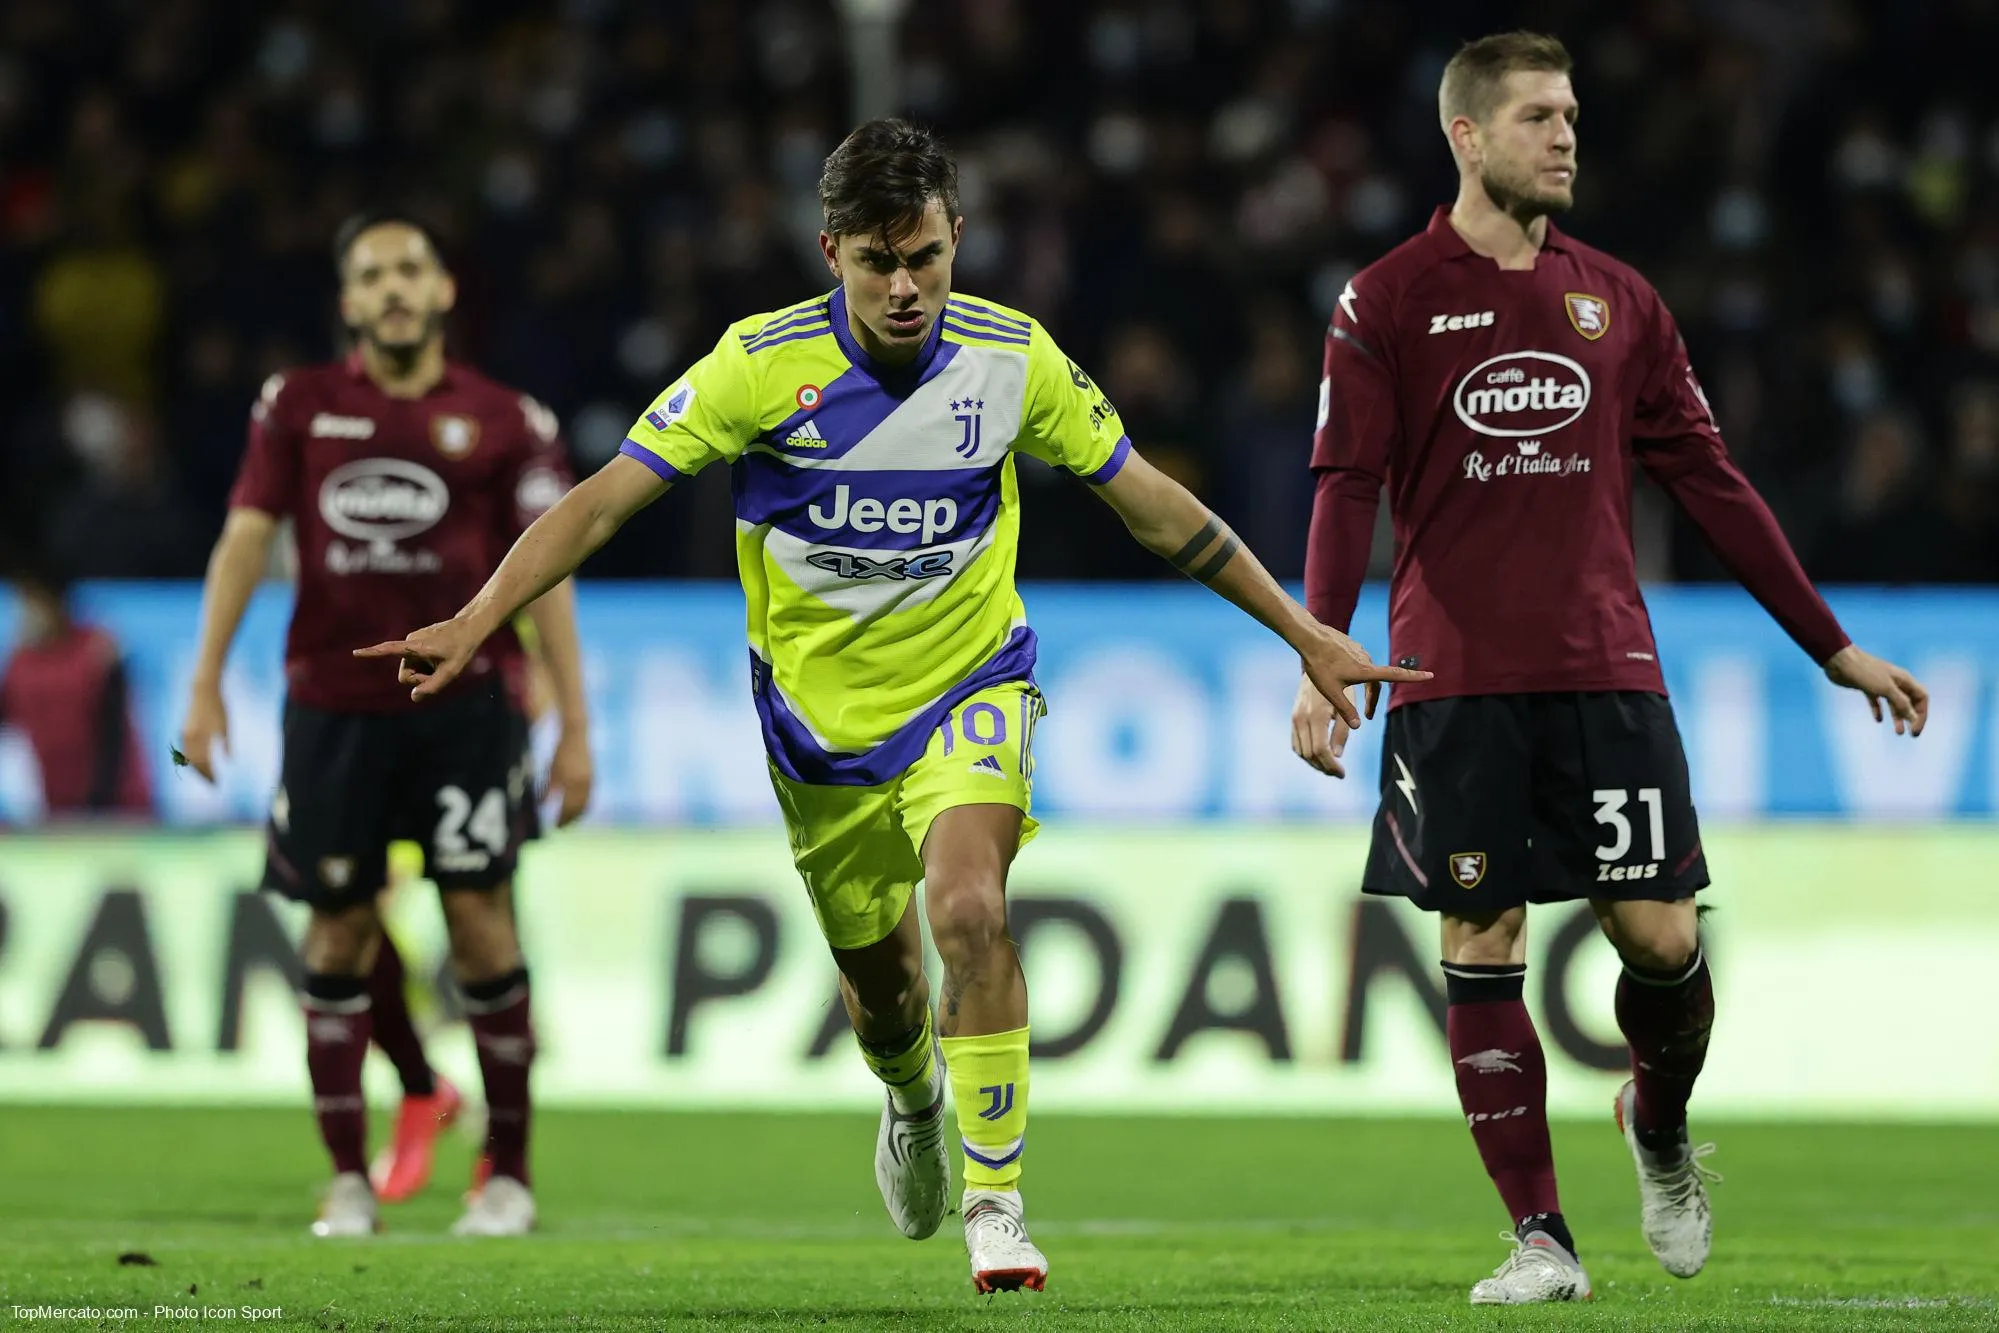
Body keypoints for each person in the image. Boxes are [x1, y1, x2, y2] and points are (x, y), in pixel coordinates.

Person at [359, 118, 1423, 1294]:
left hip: (969, 684)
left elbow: (1157, 509)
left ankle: (998, 1203)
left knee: (969, 906)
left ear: (958, 238)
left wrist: (1305, 633)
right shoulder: (758, 366)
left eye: (925, 255)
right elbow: (603, 500)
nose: (906, 285)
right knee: (885, 993)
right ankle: (912, 1095)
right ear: (832, 253)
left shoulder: (1012, 359)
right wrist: (478, 612)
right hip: (818, 733)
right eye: (879, 262)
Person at [1290, 32, 1929, 1306]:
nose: (1566, 135)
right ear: (1467, 136)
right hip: (1450, 676)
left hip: (1608, 671)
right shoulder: (1386, 300)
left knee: (1662, 939)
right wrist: (1322, 651)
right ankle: (1540, 1236)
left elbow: (1708, 480)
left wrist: (1830, 641)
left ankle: (1658, 1121)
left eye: (1571, 112)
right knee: (1480, 937)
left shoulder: (1621, 302)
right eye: (1537, 115)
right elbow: (1344, 484)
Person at [177, 210, 594, 1239]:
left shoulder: (507, 420)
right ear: (350, 302)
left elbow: (548, 579)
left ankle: (510, 1174)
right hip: (331, 707)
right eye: (374, 274)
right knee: (337, 929)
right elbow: (245, 535)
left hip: (467, 709)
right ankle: (347, 1180)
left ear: (446, 289)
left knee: (480, 923)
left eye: (412, 268)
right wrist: (205, 679)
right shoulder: (300, 406)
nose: (396, 287)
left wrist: (575, 723)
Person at [0, 559, 153, 818]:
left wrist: (99, 803)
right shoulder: (20, 663)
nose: (26, 612)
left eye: (33, 602)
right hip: (58, 808)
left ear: (56, 603)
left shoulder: (98, 652)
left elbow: (114, 737)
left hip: (115, 807)